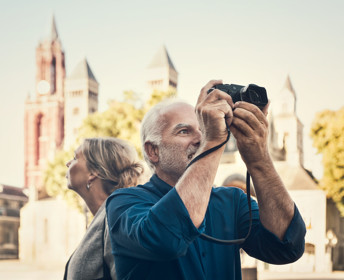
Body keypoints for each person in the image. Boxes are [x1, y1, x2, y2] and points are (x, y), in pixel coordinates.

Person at [106, 80, 307, 279]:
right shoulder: (123, 202)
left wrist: (259, 159)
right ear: (153, 151)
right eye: (184, 131)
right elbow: (166, 239)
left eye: (203, 129)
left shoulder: (233, 201)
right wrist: (212, 141)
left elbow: (286, 247)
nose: (200, 138)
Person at [63, 137, 144, 280]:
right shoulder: (102, 218)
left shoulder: (115, 219)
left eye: (75, 158)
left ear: (93, 172)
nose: (67, 163)